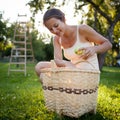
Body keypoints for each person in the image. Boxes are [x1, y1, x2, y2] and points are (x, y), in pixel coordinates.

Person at [35, 8, 112, 77]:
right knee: (39, 67)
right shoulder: (57, 39)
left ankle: (54, 86)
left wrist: (94, 49)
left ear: (63, 19)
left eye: (56, 25)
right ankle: (51, 88)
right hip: (72, 69)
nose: (54, 31)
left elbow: (108, 44)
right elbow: (58, 61)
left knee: (50, 78)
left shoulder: (82, 30)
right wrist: (67, 64)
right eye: (51, 29)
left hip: (89, 72)